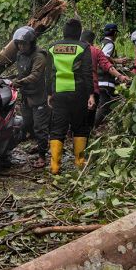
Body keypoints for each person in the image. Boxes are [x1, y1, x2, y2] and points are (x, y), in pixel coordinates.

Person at [46, 18, 93, 174]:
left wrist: (49, 93)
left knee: (57, 129)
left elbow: (48, 74)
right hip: (78, 93)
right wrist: (90, 94)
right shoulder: (83, 47)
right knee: (79, 127)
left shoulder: (53, 47)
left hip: (59, 93)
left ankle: (54, 167)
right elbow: (87, 73)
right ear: (79, 33)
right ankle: (79, 163)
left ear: (64, 32)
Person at [10, 26, 50, 169]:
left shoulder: (40, 56)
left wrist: (18, 83)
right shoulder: (20, 55)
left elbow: (35, 75)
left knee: (40, 126)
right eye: (19, 44)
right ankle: (41, 145)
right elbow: (20, 73)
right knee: (27, 124)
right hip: (26, 96)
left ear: (31, 43)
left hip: (39, 96)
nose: (21, 46)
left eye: (24, 43)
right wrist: (11, 80)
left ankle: (42, 156)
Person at [79, 29, 129, 129]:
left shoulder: (75, 50)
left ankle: (72, 132)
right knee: (99, 107)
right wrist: (120, 76)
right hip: (95, 85)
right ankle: (90, 129)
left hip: (76, 87)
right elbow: (107, 64)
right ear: (92, 41)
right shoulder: (95, 50)